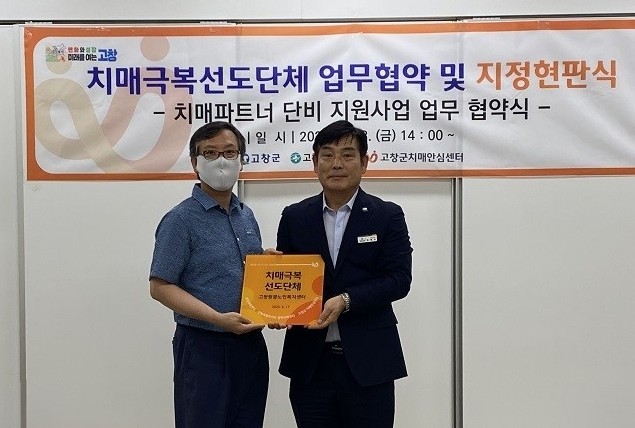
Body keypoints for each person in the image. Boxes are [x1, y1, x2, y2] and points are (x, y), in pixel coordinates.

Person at [274, 120, 413, 427]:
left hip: (369, 363)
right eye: (327, 155)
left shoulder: (387, 215)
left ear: (364, 163)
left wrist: (347, 300)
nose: (336, 163)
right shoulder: (294, 216)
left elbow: (399, 279)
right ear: (315, 163)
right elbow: (289, 281)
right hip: (310, 363)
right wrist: (273, 302)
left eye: (347, 155)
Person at [149, 121, 272, 428]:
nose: (221, 161)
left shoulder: (246, 215)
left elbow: (240, 270)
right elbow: (160, 286)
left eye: (229, 152)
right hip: (204, 346)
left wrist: (266, 266)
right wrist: (217, 318)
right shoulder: (180, 219)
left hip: (250, 343)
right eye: (210, 153)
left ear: (241, 159)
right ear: (195, 162)